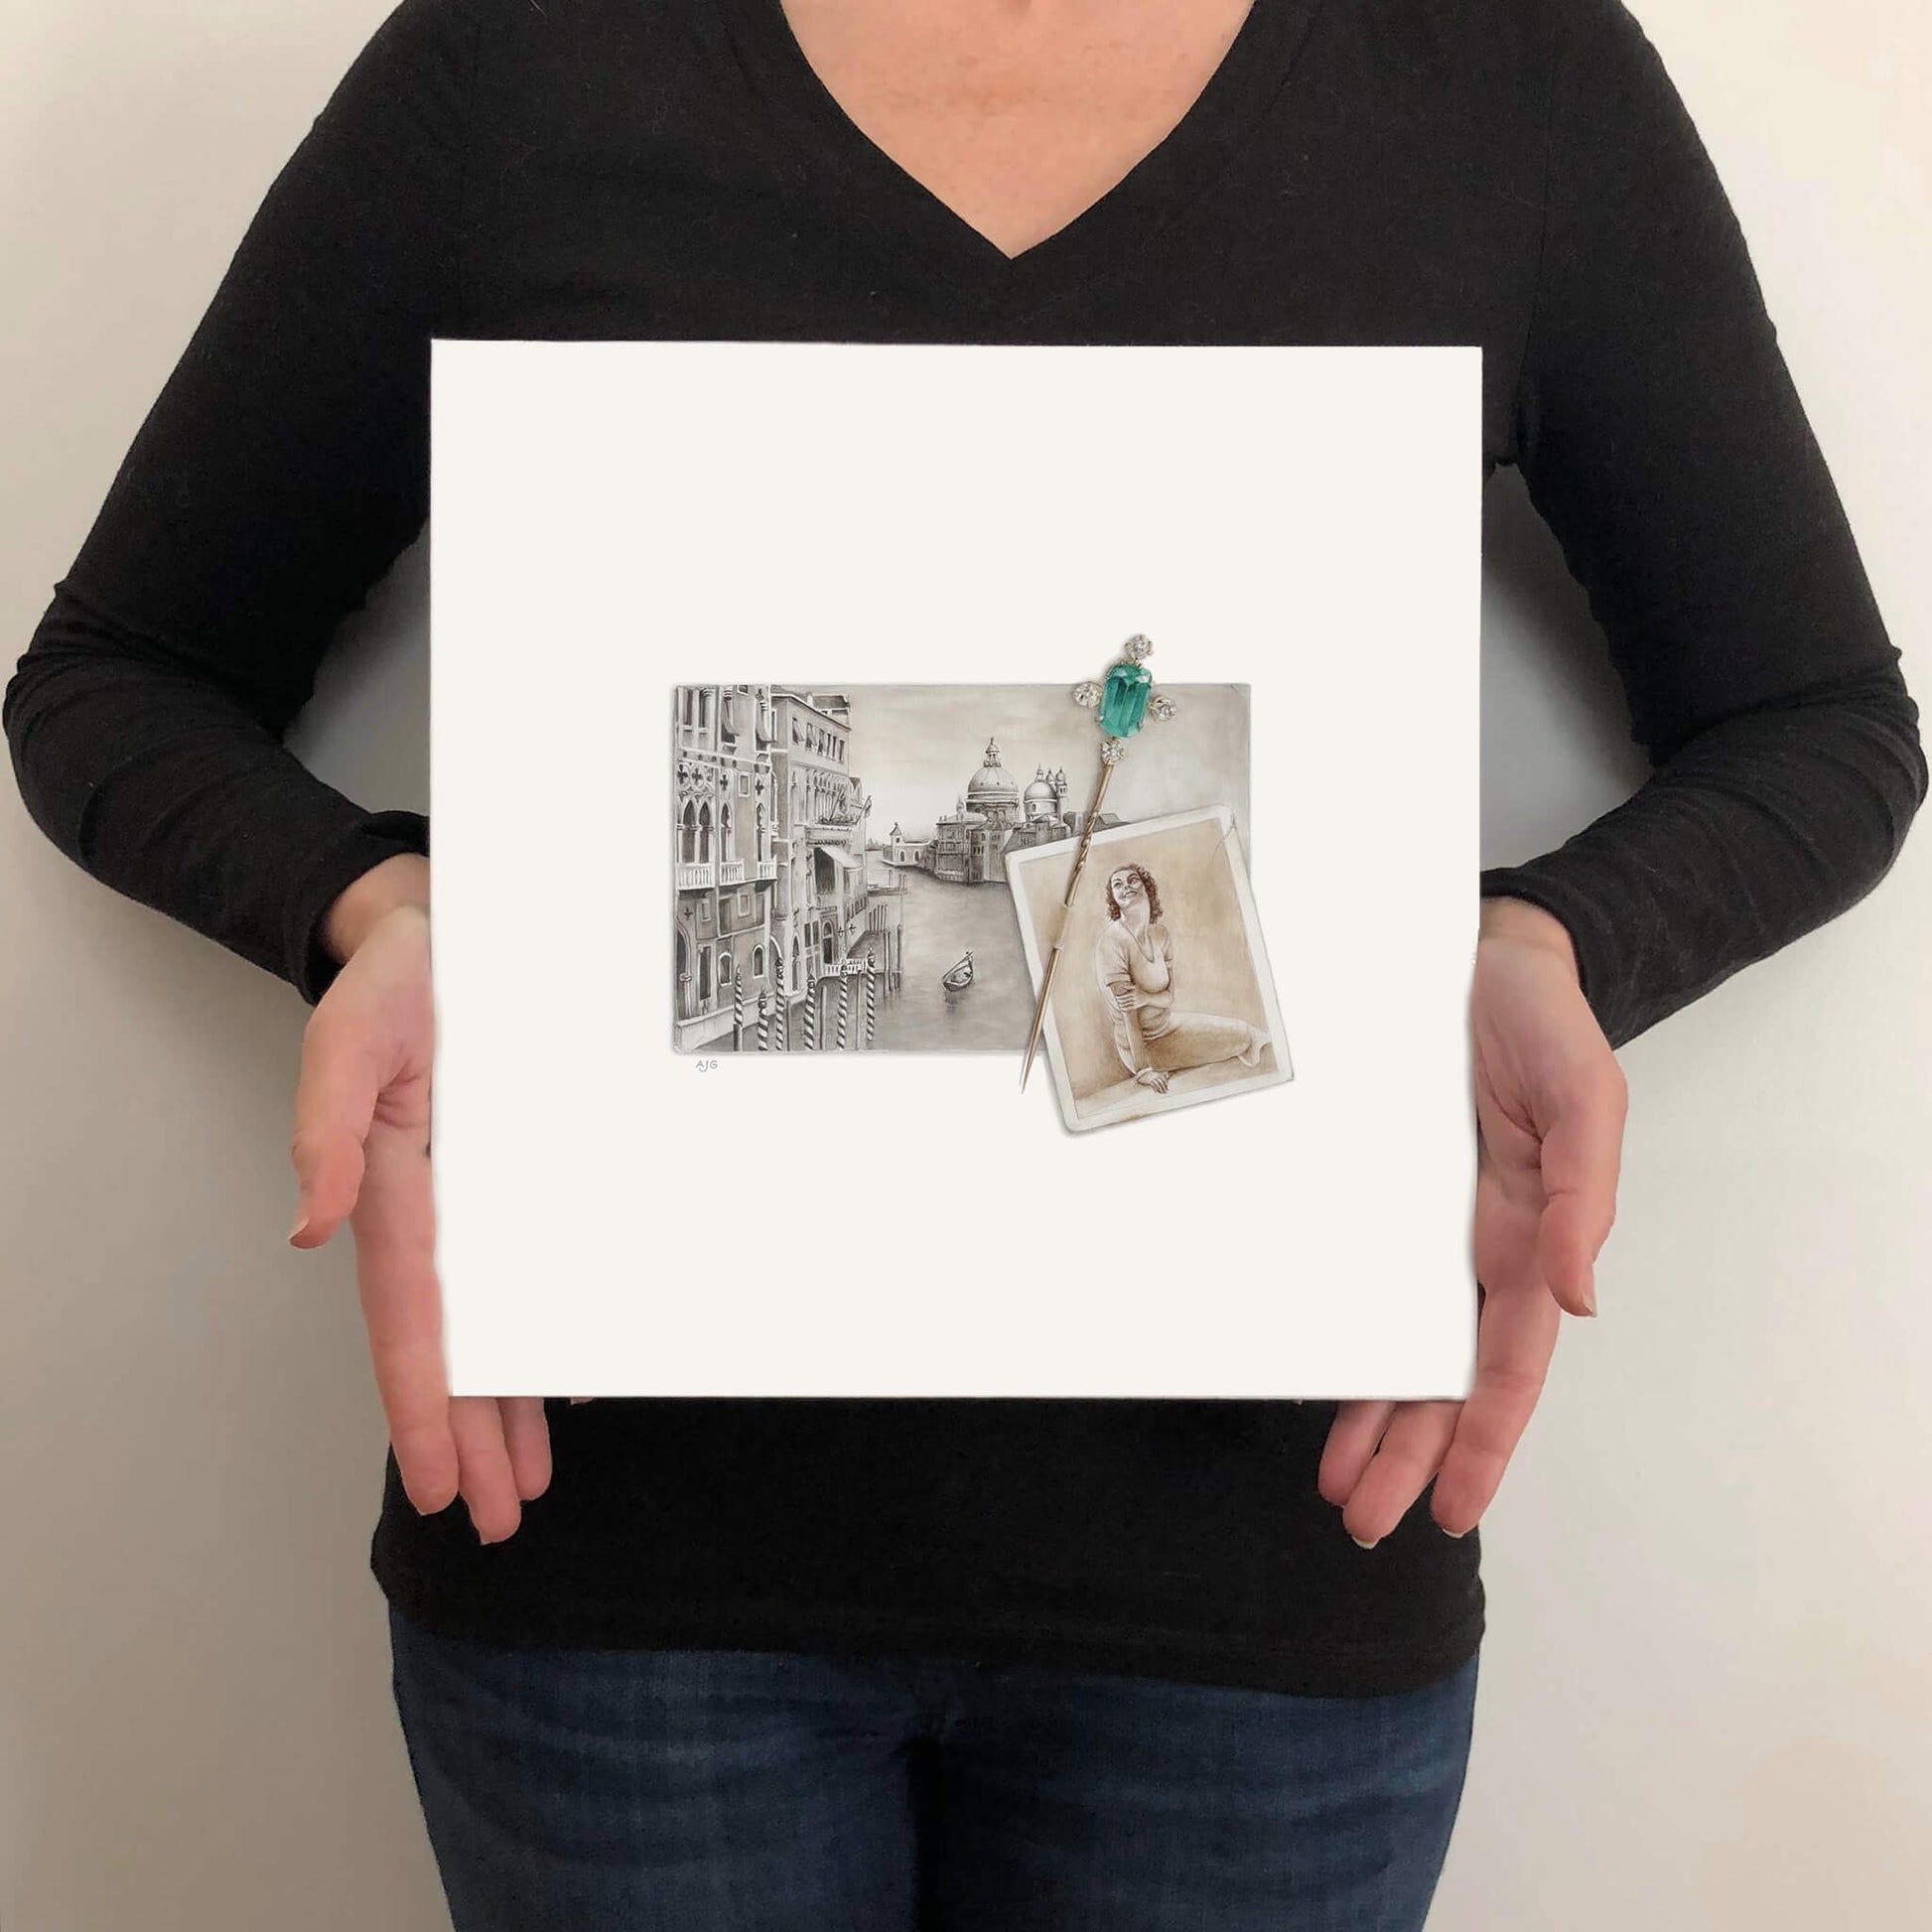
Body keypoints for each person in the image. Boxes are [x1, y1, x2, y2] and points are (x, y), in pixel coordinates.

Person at [5, 0, 1923, 1926]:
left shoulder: (1504, 69)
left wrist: (1542, 941)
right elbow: (116, 684)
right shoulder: (522, 57)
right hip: (614, 1573)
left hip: (1268, 1576)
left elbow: (1821, 726)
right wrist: (390, 911)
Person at [1095, 861, 1269, 1092]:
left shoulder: (1160, 934)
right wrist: (1143, 1070)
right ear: (1114, 899)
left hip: (1169, 1025)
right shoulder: (1111, 942)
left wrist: (1145, 997)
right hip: (1143, 1047)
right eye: (1117, 885)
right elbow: (1129, 1015)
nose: (1125, 887)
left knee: (1246, 1031)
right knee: (1242, 1038)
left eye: (1132, 880)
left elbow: (1168, 998)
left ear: (1147, 887)